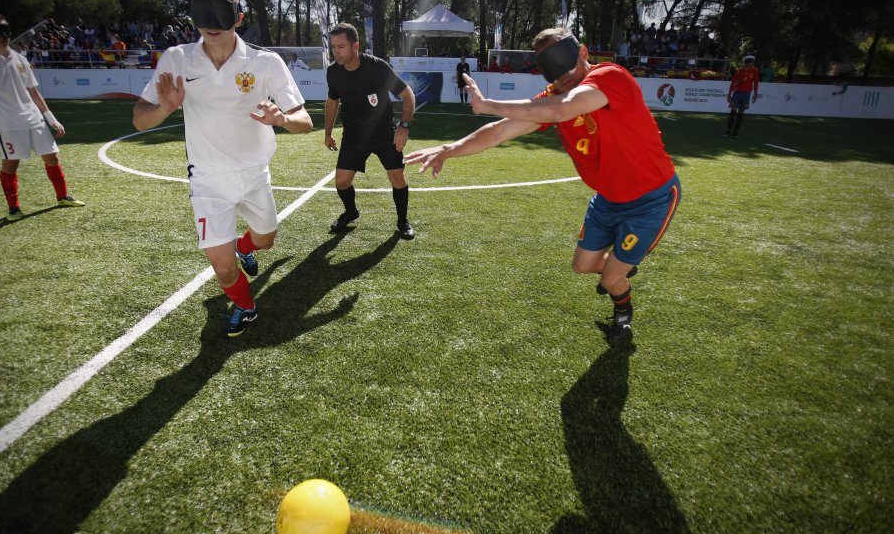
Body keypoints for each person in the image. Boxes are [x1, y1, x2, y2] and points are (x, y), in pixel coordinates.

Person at [405, 28, 681, 342]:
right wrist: (449, 149)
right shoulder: (553, 96)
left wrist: (488, 103)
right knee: (583, 265)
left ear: (584, 53)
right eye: (551, 67)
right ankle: (617, 269)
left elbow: (563, 109)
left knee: (611, 278)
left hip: (652, 197)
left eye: (565, 62)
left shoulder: (610, 78)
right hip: (608, 199)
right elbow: (499, 132)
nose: (562, 74)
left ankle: (623, 311)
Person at [133, 0, 313, 337]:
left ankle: (248, 247)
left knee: (266, 239)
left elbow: (305, 121)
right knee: (223, 267)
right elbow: (139, 120)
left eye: (219, 15)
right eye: (202, 15)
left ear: (238, 17)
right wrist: (165, 107)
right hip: (207, 180)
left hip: (253, 175)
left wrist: (282, 119)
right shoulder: (177, 59)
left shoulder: (265, 62)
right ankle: (245, 307)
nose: (211, 26)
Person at [0, 11, 85, 221]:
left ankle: (63, 196)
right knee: (11, 164)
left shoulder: (19, 58)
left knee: (52, 158)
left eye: (5, 29)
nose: (3, 34)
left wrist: (51, 119)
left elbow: (33, 91)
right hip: (7, 123)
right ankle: (14, 209)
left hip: (34, 118)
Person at [324, 22, 417, 239]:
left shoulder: (377, 67)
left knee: (397, 177)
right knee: (342, 182)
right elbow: (332, 100)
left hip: (384, 133)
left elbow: (408, 95)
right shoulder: (333, 72)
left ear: (355, 46)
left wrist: (403, 127)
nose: (336, 52)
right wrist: (328, 133)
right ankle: (351, 212)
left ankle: (402, 222)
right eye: (333, 47)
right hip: (354, 135)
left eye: (341, 47)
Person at [725, 54, 759, 137]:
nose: (751, 64)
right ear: (745, 63)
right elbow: (733, 83)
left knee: (741, 112)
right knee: (733, 110)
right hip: (737, 93)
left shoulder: (755, 71)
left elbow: (756, 83)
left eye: (752, 63)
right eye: (749, 62)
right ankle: (728, 131)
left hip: (746, 94)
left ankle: (736, 132)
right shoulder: (739, 71)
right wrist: (729, 94)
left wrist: (755, 94)